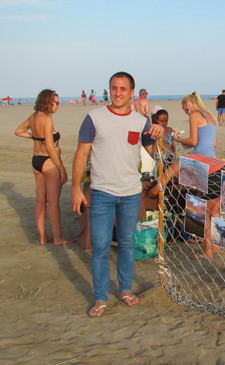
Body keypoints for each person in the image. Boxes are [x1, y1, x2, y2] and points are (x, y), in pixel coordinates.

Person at [71, 71, 164, 318]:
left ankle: (125, 289)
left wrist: (158, 133)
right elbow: (81, 155)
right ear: (109, 90)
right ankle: (100, 297)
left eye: (123, 88)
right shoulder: (94, 117)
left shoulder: (139, 121)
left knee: (126, 244)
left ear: (131, 92)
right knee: (100, 246)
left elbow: (150, 155)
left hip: (131, 193)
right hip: (101, 192)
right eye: (114, 88)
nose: (118, 92)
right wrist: (75, 190)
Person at [14, 89, 71, 246]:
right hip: (48, 161)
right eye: (56, 103)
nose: (57, 106)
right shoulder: (46, 119)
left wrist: (33, 136)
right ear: (47, 102)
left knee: (40, 201)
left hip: (36, 161)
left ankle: (42, 237)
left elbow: (18, 131)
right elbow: (51, 147)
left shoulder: (33, 117)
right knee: (52, 203)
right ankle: (58, 238)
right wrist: (61, 168)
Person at [148, 92, 218, 197]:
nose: (186, 112)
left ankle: (153, 192)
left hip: (200, 157)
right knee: (200, 191)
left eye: (185, 109)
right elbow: (213, 143)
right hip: (212, 158)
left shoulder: (194, 114)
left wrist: (178, 139)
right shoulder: (210, 115)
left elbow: (193, 142)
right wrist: (184, 142)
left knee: (172, 168)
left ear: (188, 104)